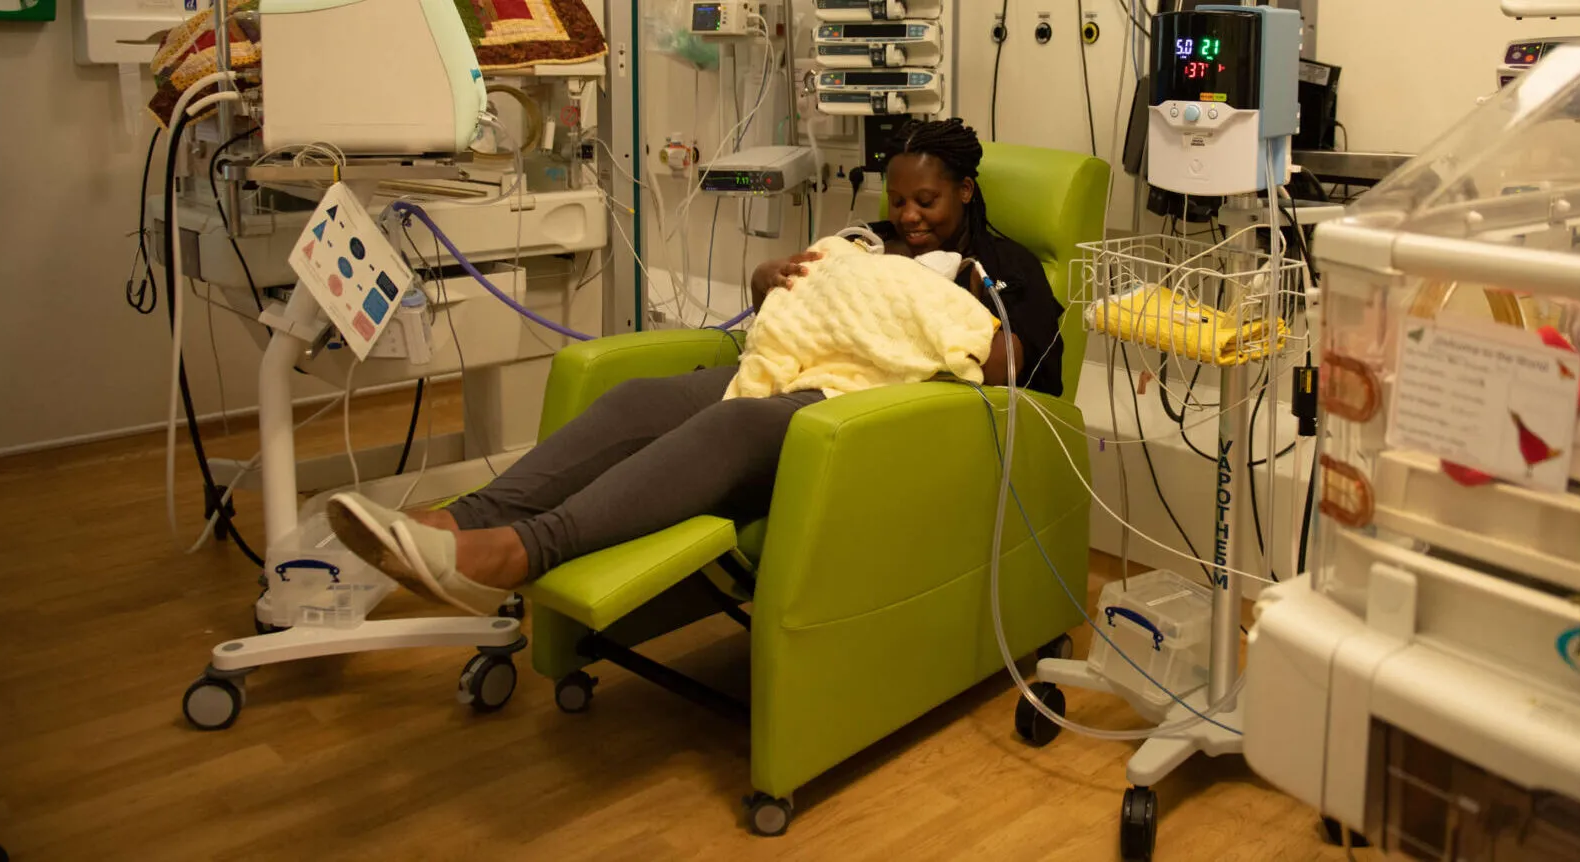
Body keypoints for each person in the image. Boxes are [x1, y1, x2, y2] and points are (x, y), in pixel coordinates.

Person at [328, 117, 1067, 615]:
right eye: (897, 199)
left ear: (966, 192)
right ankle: (459, 521)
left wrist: (954, 306)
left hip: (874, 414)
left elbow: (1025, 372)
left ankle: (515, 554)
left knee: (737, 424)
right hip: (797, 370)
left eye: (927, 203)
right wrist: (770, 282)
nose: (908, 217)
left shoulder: (1002, 266)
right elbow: (809, 302)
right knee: (640, 401)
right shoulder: (869, 238)